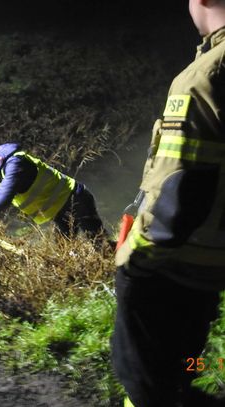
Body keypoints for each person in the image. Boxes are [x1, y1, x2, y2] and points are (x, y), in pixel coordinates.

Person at [113, 1, 225, 406]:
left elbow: (178, 194)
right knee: (185, 363)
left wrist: (132, 259)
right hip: (213, 270)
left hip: (171, 270)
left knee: (143, 381)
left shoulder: (203, 78)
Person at [0, 142, 106, 239]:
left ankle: (121, 266)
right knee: (64, 254)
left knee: (100, 243)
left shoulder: (15, 164)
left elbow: (3, 198)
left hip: (76, 200)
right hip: (60, 212)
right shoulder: (2, 174)